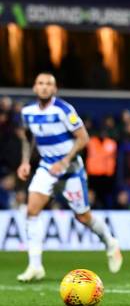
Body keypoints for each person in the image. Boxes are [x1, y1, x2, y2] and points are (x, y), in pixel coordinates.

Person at [15, 72, 122, 282]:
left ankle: (110, 242)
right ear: (35, 88)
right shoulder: (27, 112)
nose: (44, 87)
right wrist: (26, 161)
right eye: (40, 83)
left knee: (83, 216)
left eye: (48, 84)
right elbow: (28, 138)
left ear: (54, 89)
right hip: (47, 168)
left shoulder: (64, 110)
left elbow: (83, 138)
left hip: (71, 169)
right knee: (32, 211)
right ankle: (35, 266)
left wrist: (64, 161)